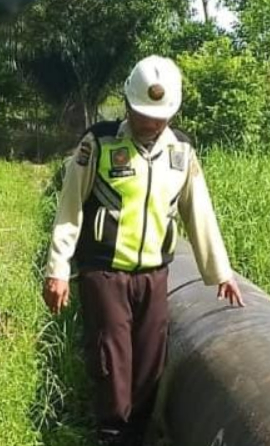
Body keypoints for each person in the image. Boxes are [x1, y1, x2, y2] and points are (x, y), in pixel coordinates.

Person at [42, 55, 245, 446]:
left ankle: (137, 434)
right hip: (105, 272)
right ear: (128, 104)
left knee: (151, 362)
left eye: (160, 117)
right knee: (111, 359)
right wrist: (57, 269)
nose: (152, 124)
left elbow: (198, 210)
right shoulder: (99, 143)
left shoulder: (180, 151)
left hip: (154, 274)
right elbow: (69, 209)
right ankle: (111, 435)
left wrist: (220, 272)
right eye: (144, 115)